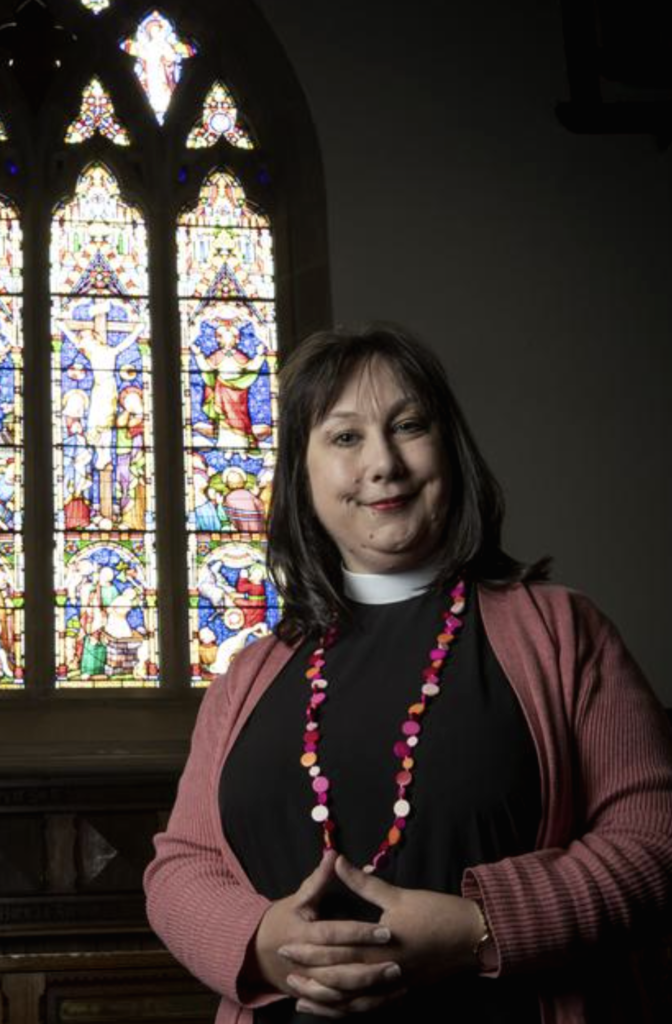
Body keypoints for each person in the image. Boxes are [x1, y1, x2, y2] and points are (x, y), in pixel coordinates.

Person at [144, 324, 672, 1024]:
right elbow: (180, 866)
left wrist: (477, 930)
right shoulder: (249, 674)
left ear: (448, 449)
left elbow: (653, 840)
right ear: (301, 474)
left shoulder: (564, 632)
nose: (383, 463)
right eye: (344, 437)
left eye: (408, 426)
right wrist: (264, 945)